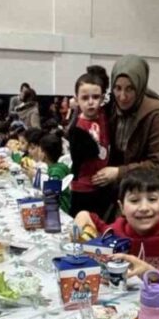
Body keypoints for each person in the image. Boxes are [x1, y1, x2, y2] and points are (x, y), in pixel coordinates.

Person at [95, 55, 159, 191]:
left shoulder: (157, 114)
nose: (122, 96)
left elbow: (158, 166)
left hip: (146, 189)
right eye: (117, 88)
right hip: (115, 188)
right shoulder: (111, 108)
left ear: (140, 86)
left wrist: (119, 172)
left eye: (130, 89)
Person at [67, 72, 113, 218]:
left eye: (96, 97)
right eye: (85, 98)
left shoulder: (104, 116)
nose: (91, 102)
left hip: (103, 186)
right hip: (83, 189)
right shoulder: (77, 128)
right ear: (77, 100)